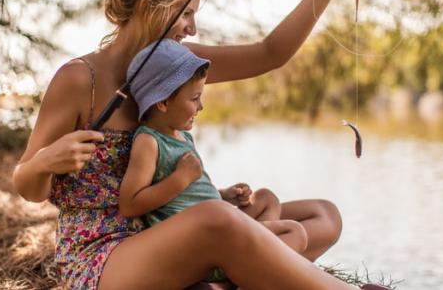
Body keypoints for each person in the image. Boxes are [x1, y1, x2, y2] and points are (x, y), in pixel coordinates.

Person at [12, 0, 381, 289]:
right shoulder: (79, 79)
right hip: (107, 256)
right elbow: (28, 185)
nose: (192, 27)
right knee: (218, 220)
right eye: (185, 12)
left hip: (175, 221)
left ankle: (221, 276)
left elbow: (269, 53)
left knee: (323, 216)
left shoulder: (179, 65)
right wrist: (47, 161)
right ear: (147, 7)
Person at [118, 40, 308, 283]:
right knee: (295, 233)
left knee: (268, 198)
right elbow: (130, 204)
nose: (201, 106)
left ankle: (253, 267)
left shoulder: (182, 136)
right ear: (163, 103)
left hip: (218, 231)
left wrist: (223, 194)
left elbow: (190, 195)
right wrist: (180, 178)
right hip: (198, 247)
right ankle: (258, 272)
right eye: (194, 98)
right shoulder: (148, 141)